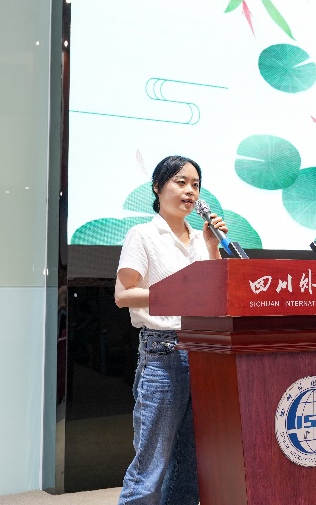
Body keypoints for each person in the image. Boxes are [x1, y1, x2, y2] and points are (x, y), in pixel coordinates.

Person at [114, 155, 228, 504]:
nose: (190, 191)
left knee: (191, 465)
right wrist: (176, 294)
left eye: (196, 185)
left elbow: (216, 293)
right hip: (162, 353)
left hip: (204, 352)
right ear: (157, 187)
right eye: (181, 182)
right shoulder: (143, 235)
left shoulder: (202, 240)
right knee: (151, 466)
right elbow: (123, 295)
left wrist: (213, 247)